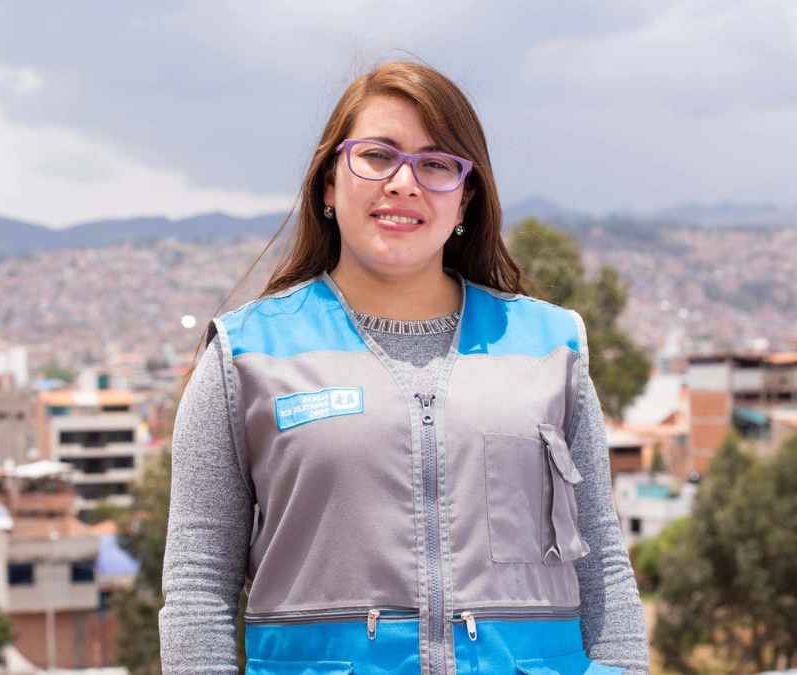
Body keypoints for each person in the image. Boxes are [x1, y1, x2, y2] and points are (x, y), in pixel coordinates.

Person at [158, 61, 649, 674]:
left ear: (465, 197)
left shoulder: (551, 348)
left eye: (436, 164)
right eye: (377, 156)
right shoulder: (245, 357)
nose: (403, 183)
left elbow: (602, 561)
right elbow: (198, 582)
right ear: (329, 184)